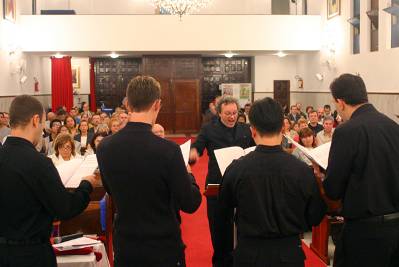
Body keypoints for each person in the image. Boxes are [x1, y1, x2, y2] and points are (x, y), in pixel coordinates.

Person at [96, 75, 201, 266]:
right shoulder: (168, 150)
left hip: (126, 245)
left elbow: (110, 189)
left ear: (127, 104)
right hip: (162, 246)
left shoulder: (105, 147)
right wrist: (189, 174)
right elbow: (190, 203)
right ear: (157, 104)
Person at [215, 97, 326, 267]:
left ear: (253, 131)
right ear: (283, 128)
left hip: (249, 255)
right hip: (289, 253)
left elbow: (223, 215)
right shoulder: (301, 169)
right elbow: (316, 215)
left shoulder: (237, 169)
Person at [0, 95, 98, 267]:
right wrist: (86, 186)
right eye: (44, 122)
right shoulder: (38, 162)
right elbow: (65, 208)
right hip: (30, 255)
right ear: (36, 120)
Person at [314, 74, 399, 267]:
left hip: (365, 232)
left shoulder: (347, 131)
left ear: (341, 102)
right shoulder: (393, 127)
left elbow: (334, 190)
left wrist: (320, 177)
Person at [189, 95, 255, 266]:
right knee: (219, 228)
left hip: (242, 185)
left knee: (244, 225)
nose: (232, 117)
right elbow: (198, 146)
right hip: (217, 185)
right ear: (219, 113)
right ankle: (221, 260)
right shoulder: (208, 129)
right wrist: (194, 152)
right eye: (227, 114)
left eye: (234, 113)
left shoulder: (245, 129)